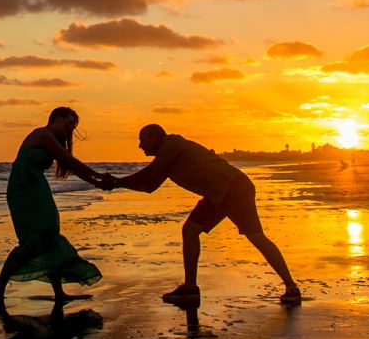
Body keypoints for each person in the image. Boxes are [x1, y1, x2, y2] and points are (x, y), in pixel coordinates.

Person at [103, 123, 301, 305]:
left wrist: (116, 182)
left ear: (156, 137)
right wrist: (114, 183)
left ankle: (291, 287)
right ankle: (190, 288)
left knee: (256, 237)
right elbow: (150, 185)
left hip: (234, 189)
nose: (140, 145)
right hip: (219, 194)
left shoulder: (171, 146)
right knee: (191, 231)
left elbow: (148, 176)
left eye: (142, 139)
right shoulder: (167, 154)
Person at [0, 106, 107, 308]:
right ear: (57, 117)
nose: (70, 128)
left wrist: (97, 181)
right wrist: (99, 178)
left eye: (73, 125)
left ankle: (58, 292)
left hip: (37, 188)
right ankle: (1, 281)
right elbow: (70, 160)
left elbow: (71, 165)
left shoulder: (53, 139)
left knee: (50, 233)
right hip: (23, 189)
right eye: (69, 123)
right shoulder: (43, 135)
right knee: (33, 238)